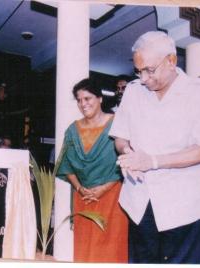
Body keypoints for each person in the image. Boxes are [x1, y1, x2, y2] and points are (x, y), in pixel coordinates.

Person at [109, 31, 200, 264]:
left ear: (172, 61)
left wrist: (152, 162)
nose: (143, 79)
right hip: (140, 201)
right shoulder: (133, 91)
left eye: (150, 70)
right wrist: (128, 155)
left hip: (184, 205)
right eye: (138, 71)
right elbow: (120, 137)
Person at [56, 78, 128, 263]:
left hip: (112, 197)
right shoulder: (73, 130)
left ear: (100, 98)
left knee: (111, 248)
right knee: (85, 249)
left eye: (87, 98)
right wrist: (80, 188)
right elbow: (66, 165)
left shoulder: (117, 124)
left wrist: (105, 187)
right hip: (84, 198)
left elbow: (127, 162)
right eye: (79, 100)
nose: (83, 104)